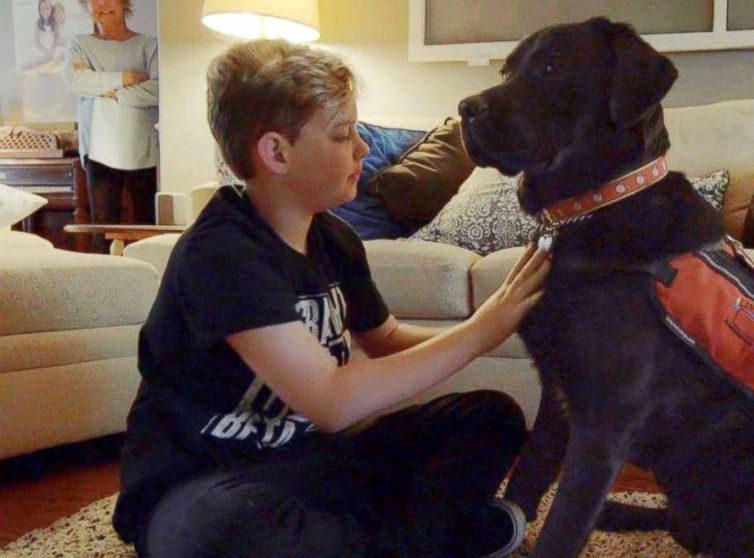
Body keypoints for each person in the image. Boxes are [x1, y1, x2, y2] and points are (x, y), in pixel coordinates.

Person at [110, 38, 551, 558]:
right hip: (205, 482)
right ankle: (427, 535)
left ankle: (400, 538)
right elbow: (333, 402)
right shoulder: (221, 253)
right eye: (343, 135)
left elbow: (385, 340)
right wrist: (481, 332)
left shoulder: (333, 238)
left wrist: (496, 325)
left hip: (313, 460)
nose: (362, 149)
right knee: (236, 530)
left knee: (489, 417)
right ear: (276, 152)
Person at [62, 0, 157, 252]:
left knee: (147, 229)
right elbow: (76, 81)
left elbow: (157, 90)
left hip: (145, 150)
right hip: (98, 150)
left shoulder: (149, 45)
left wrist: (110, 92)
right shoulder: (80, 44)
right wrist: (126, 78)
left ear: (125, 3)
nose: (102, 4)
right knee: (102, 231)